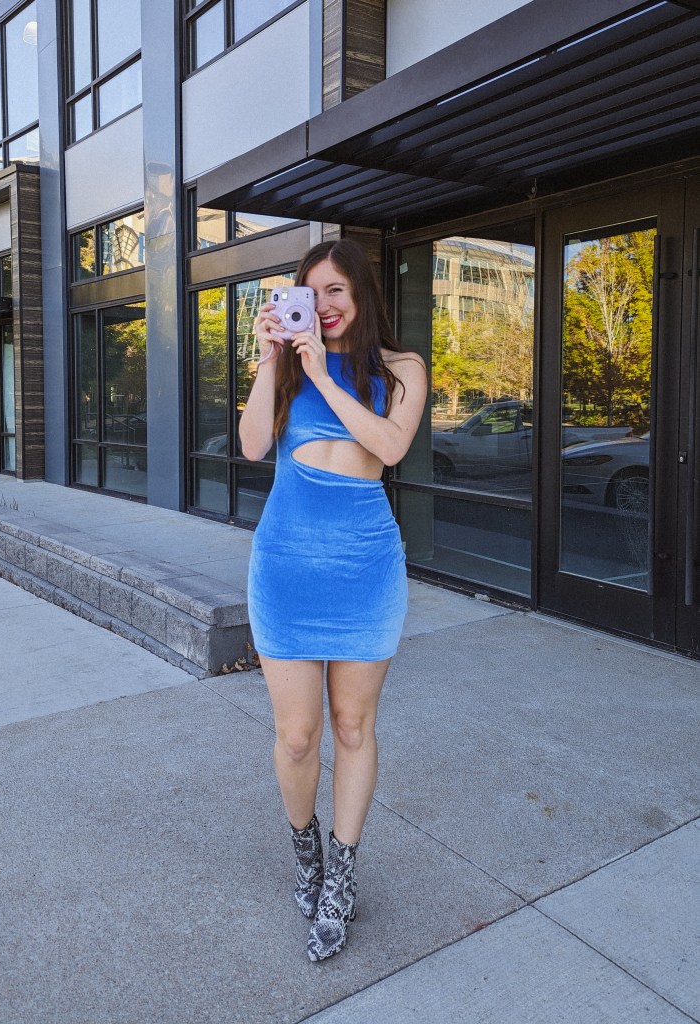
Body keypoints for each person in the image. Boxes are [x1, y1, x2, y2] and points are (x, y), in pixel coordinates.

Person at [240, 238, 426, 961]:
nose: (320, 306)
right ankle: (305, 856)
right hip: (285, 563)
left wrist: (325, 372)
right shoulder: (285, 365)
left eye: (335, 292)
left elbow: (387, 448)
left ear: (361, 295)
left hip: (364, 567)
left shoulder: (398, 368)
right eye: (309, 293)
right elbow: (254, 446)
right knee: (297, 736)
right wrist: (270, 361)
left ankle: (342, 876)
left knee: (352, 727)